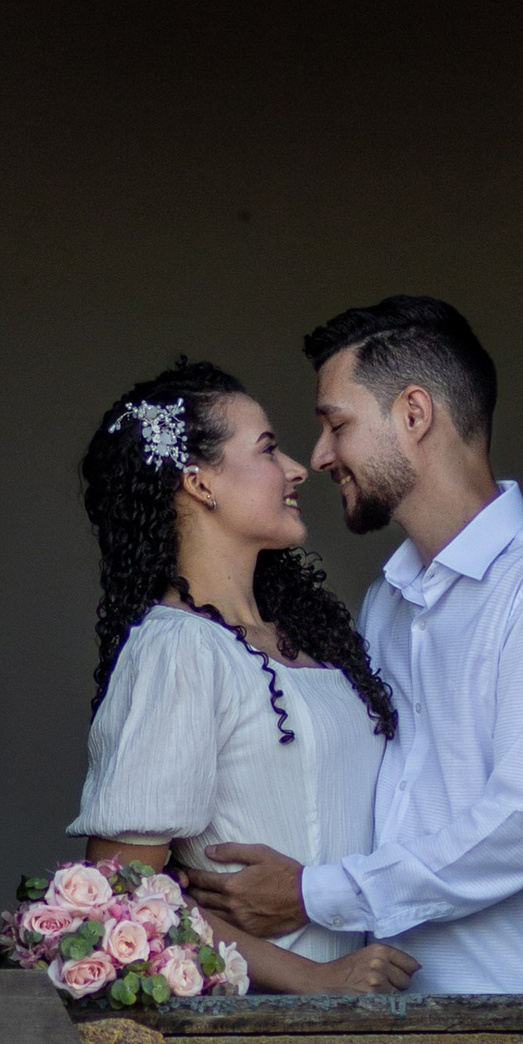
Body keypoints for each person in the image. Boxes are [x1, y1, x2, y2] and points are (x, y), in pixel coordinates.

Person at [200, 296, 523, 993]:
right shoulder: (387, 602)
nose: (319, 456)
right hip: (395, 1019)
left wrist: (314, 893)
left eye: (337, 424)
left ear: (413, 414)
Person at [70, 359, 422, 996]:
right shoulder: (179, 648)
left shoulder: (312, 640)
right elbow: (122, 891)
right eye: (267, 449)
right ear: (199, 482)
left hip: (362, 1008)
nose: (296, 468)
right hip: (263, 1019)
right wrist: (317, 978)